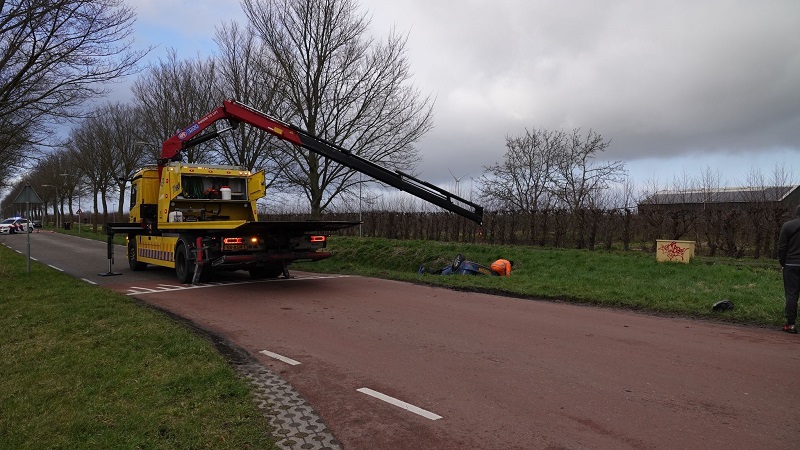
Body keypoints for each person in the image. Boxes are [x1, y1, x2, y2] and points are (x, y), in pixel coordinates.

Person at [778, 205, 800, 334]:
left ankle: (791, 324)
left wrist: (783, 263)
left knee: (792, 294)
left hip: (791, 264)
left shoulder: (787, 226)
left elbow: (781, 247)